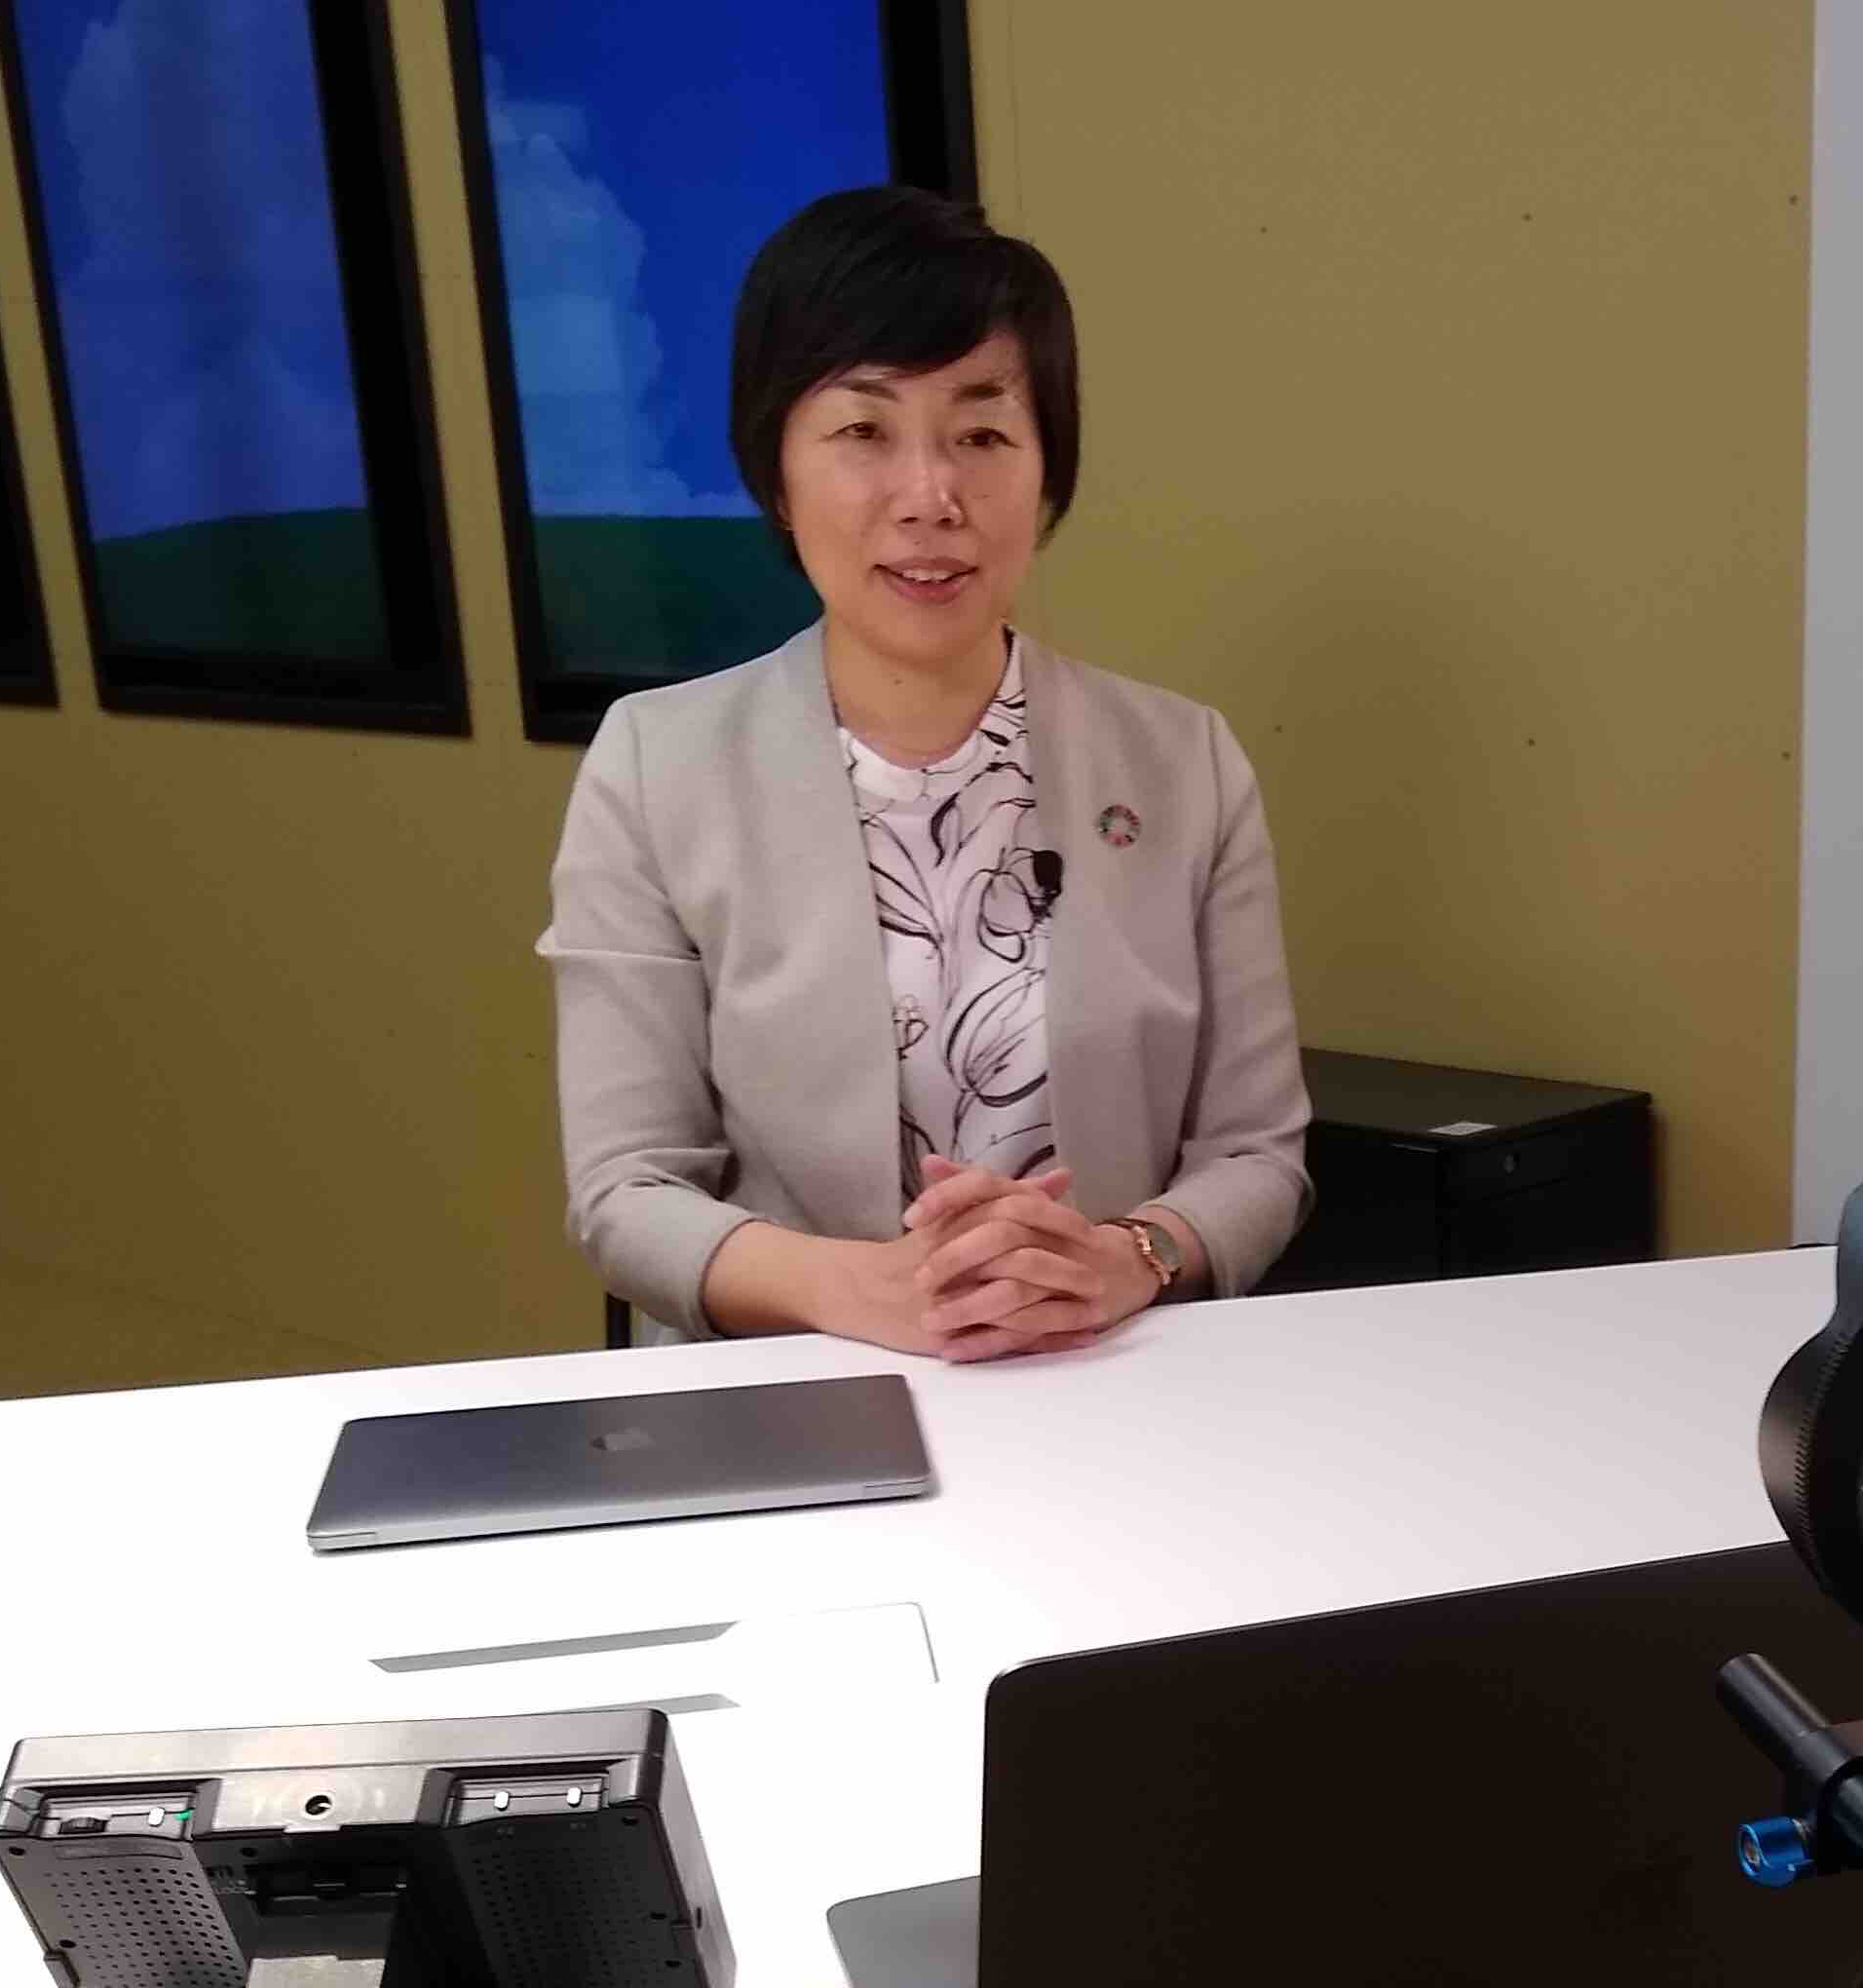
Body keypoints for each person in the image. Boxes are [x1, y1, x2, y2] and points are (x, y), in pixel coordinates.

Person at [543, 187, 1309, 1357]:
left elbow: (1256, 1155)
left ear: (1047, 474)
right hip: (793, 1391)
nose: (930, 498)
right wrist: (862, 1291)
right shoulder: (656, 763)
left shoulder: (1182, 760)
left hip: (1110, 1381)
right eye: (864, 433)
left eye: (982, 436)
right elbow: (626, 1190)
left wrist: (1126, 1256)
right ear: (777, 472)